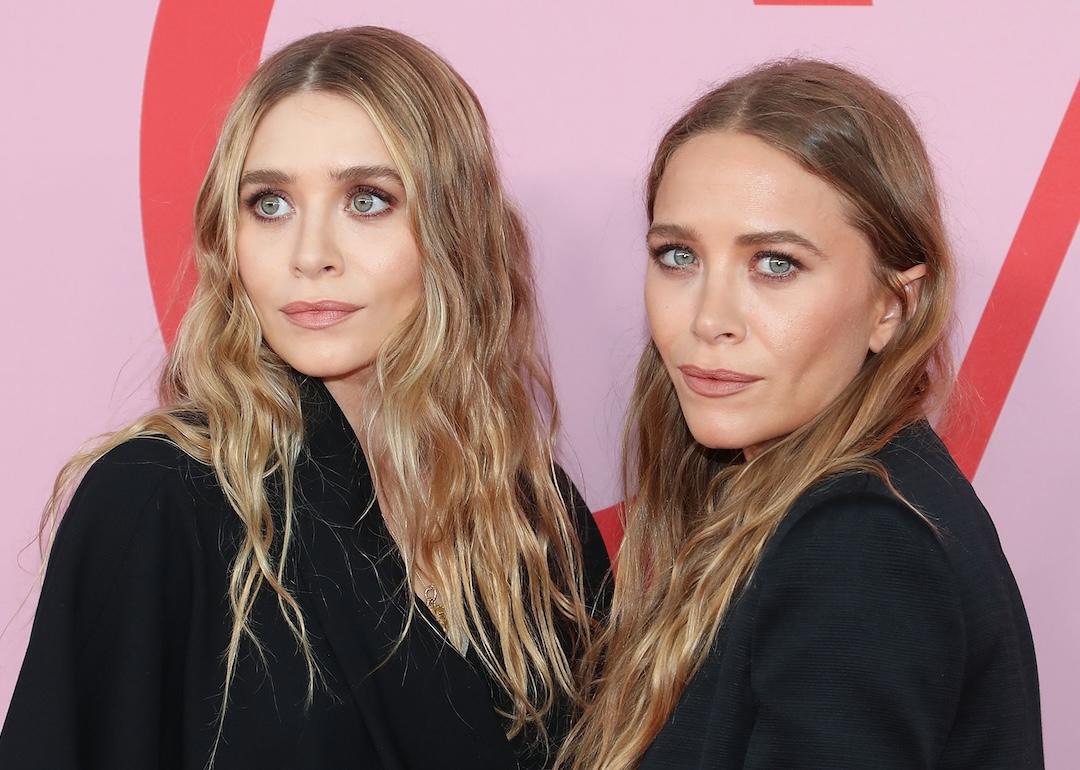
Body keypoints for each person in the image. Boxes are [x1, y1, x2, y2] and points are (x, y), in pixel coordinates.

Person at [0, 26, 608, 770]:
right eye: (271, 204)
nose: (310, 252)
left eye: (368, 200)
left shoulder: (535, 521)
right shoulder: (157, 498)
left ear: (455, 229)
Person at [559, 59, 1042, 769]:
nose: (710, 318)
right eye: (678, 255)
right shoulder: (810, 505)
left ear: (892, 305)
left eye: (775, 264)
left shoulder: (860, 540)